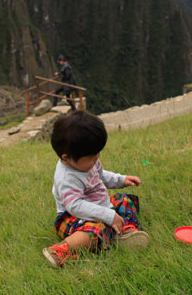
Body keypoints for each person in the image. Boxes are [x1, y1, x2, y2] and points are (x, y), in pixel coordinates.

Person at [43, 110, 149, 268]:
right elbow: (75, 205)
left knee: (124, 200)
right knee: (96, 229)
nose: (96, 159)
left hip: (99, 206)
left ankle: (124, 231)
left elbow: (101, 175)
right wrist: (106, 215)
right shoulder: (67, 178)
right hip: (74, 217)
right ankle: (61, 250)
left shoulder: (88, 161)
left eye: (97, 154)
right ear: (66, 157)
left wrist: (121, 179)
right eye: (91, 158)